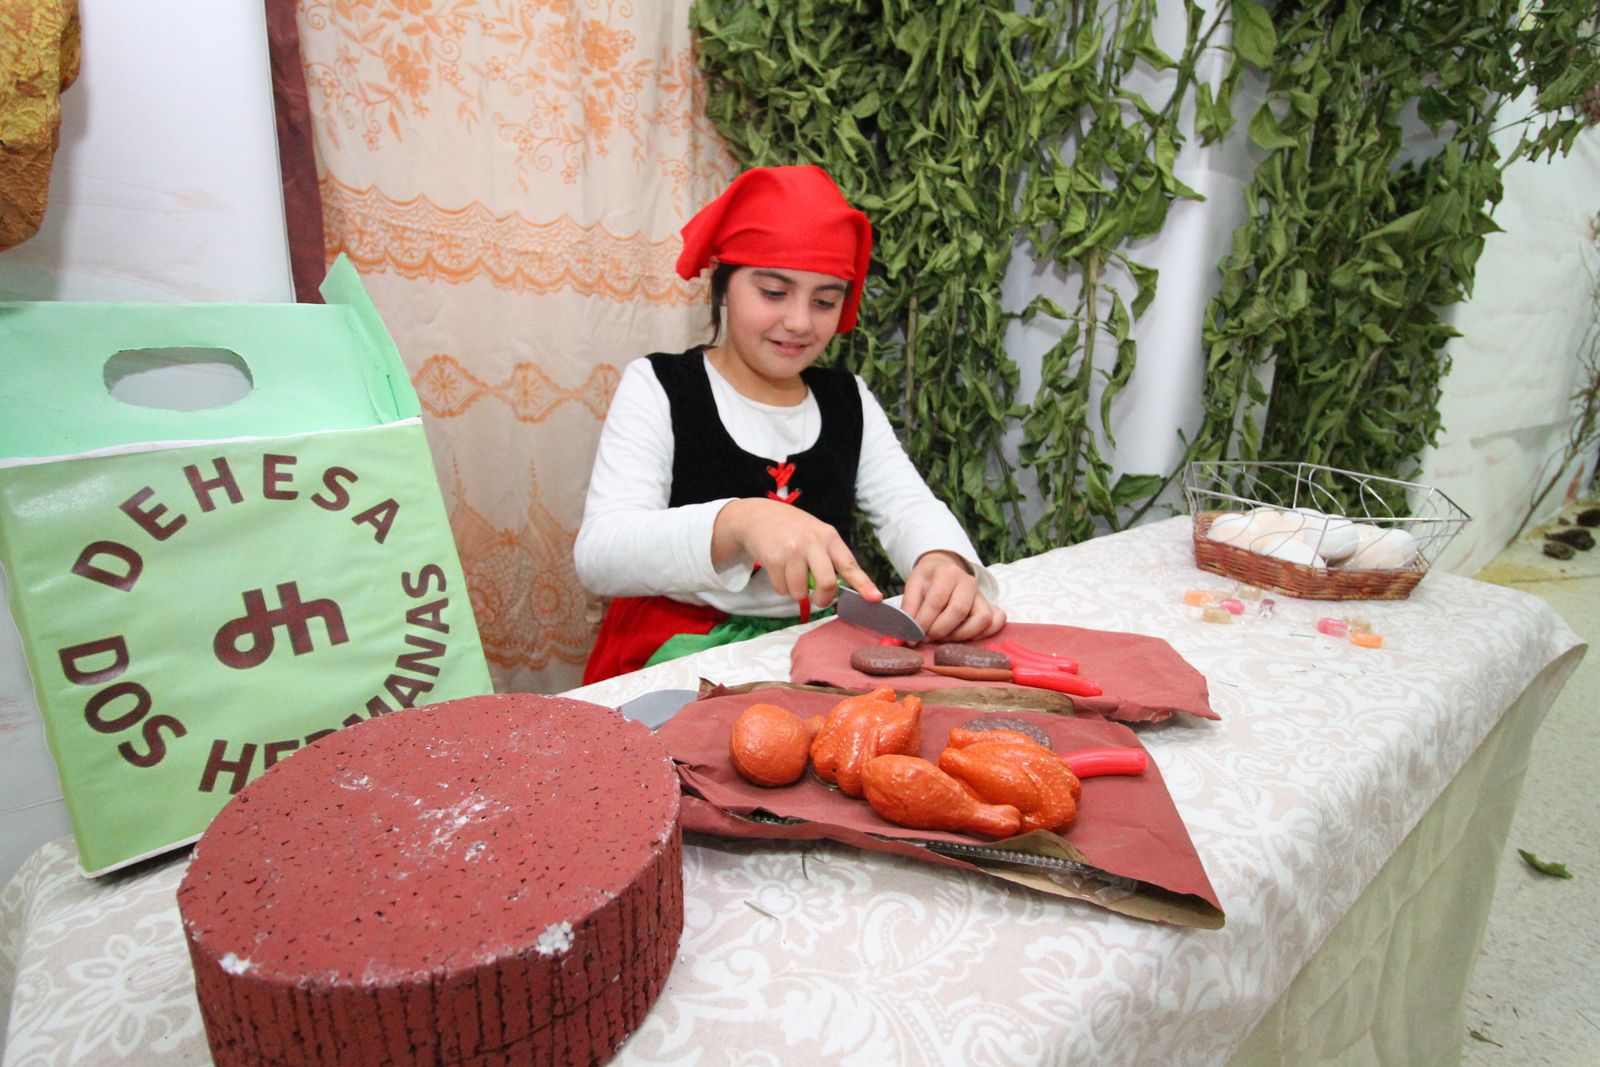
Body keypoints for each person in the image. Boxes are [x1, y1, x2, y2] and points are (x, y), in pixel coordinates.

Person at [575, 165, 1005, 684]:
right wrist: (738, 522)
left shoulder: (849, 399)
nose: (801, 322)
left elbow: (907, 506)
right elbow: (600, 554)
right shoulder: (660, 384)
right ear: (724, 287)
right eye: (774, 293)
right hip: (674, 646)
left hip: (812, 639)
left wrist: (942, 560)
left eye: (825, 300)